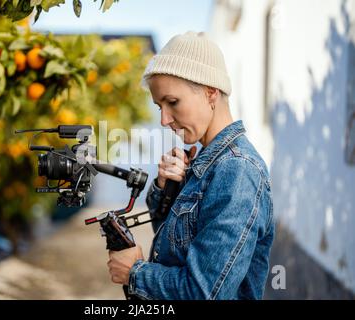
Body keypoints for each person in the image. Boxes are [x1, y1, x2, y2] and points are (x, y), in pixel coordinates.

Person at [107, 31, 275, 300]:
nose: (163, 119)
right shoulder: (206, 163)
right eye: (158, 105)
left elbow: (205, 291)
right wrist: (166, 188)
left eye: (172, 102)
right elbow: (173, 247)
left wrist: (135, 272)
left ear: (211, 94)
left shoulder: (237, 170)